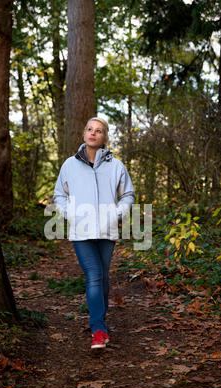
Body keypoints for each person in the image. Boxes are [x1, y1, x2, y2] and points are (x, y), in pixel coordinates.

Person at [53, 117, 135, 349]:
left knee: (103, 276)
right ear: (83, 133)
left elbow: (128, 194)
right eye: (89, 129)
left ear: (104, 137)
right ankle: (98, 329)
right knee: (93, 274)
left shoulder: (116, 165)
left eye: (98, 131)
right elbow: (59, 194)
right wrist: (71, 213)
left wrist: (117, 213)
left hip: (107, 231)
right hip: (81, 230)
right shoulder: (69, 165)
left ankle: (100, 320)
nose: (93, 133)